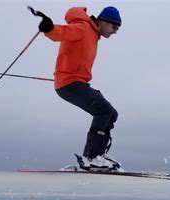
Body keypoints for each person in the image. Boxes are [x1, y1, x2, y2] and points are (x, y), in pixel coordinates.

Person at [31, 6, 122, 171]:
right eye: (114, 26)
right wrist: (50, 28)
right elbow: (64, 32)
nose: (115, 31)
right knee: (104, 111)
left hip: (76, 82)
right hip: (69, 83)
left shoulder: (93, 35)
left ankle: (98, 156)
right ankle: (92, 157)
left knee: (111, 114)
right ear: (103, 21)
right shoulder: (84, 28)